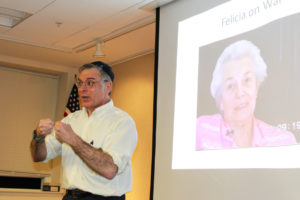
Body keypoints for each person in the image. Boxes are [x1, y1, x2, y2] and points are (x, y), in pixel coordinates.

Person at [30, 61, 137, 200]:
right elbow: (39, 156)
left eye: (90, 83)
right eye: (80, 83)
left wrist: (73, 140)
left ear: (108, 86)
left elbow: (110, 169)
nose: (82, 89)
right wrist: (38, 137)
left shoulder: (122, 122)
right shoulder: (71, 120)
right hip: (70, 196)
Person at [196, 40, 296, 150]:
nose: (240, 93)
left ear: (256, 88)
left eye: (247, 80)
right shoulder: (201, 130)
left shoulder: (282, 140)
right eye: (230, 86)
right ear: (221, 100)